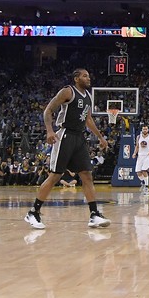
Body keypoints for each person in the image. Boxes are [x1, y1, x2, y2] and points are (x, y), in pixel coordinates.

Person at [24, 68, 110, 230]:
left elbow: (88, 119)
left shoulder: (88, 96)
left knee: (87, 175)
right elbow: (48, 110)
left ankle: (94, 214)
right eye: (85, 76)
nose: (88, 78)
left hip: (79, 137)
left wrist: (100, 137)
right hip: (64, 135)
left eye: (89, 76)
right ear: (76, 78)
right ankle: (33, 212)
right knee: (55, 176)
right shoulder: (67, 91)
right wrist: (49, 130)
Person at [132, 125, 149, 193]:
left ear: (148, 130)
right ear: (142, 130)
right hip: (140, 156)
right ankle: (143, 183)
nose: (145, 130)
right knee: (138, 172)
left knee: (144, 170)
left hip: (147, 156)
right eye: (143, 129)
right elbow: (137, 146)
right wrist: (134, 153)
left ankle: (146, 186)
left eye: (146, 129)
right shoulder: (138, 137)